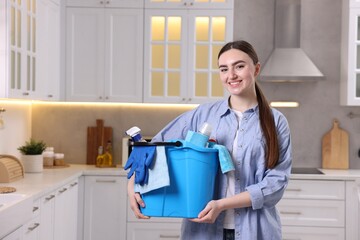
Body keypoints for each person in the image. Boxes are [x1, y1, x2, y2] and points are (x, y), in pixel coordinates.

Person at [127, 40, 292, 240]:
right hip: (202, 232)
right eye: (224, 69)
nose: (231, 75)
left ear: (256, 69)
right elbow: (153, 149)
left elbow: (276, 184)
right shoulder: (202, 115)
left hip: (256, 231)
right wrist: (132, 186)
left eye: (239, 66)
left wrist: (221, 204)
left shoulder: (276, 121)